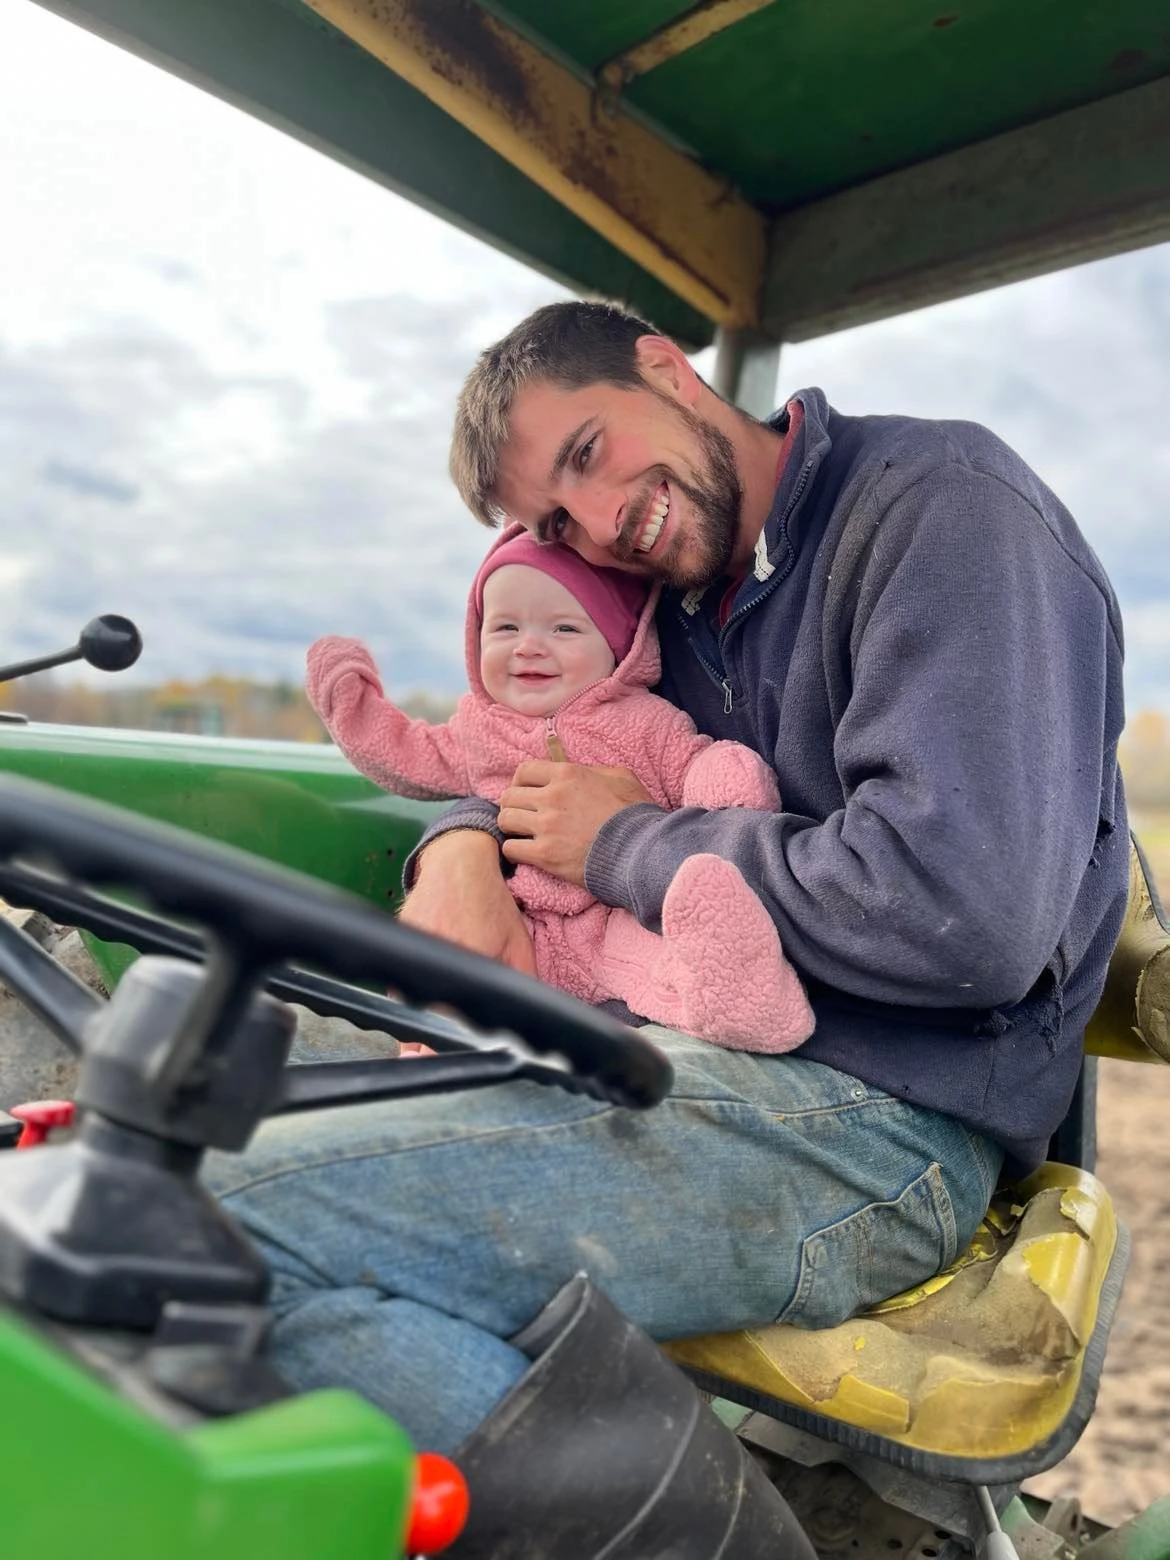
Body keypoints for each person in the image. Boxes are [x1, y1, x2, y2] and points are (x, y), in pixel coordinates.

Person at [206, 300, 1128, 1557]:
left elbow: (960, 911)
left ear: (666, 368)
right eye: (558, 521)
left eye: (588, 453)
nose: (599, 526)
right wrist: (464, 840)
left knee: (223, 1228)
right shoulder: (684, 605)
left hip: (883, 1116)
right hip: (650, 1034)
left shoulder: (940, 511)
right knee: (174, 1119)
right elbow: (555, 745)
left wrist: (623, 846)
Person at [305, 530, 814, 1053]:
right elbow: (408, 756)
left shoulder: (644, 724)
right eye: (505, 627)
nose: (528, 645)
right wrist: (348, 696)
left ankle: (747, 1004)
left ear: (620, 645)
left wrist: (726, 780)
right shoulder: (481, 729)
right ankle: (449, 1043)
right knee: (473, 981)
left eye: (564, 627)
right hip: (528, 930)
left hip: (616, 913)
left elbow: (695, 766)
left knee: (652, 967)